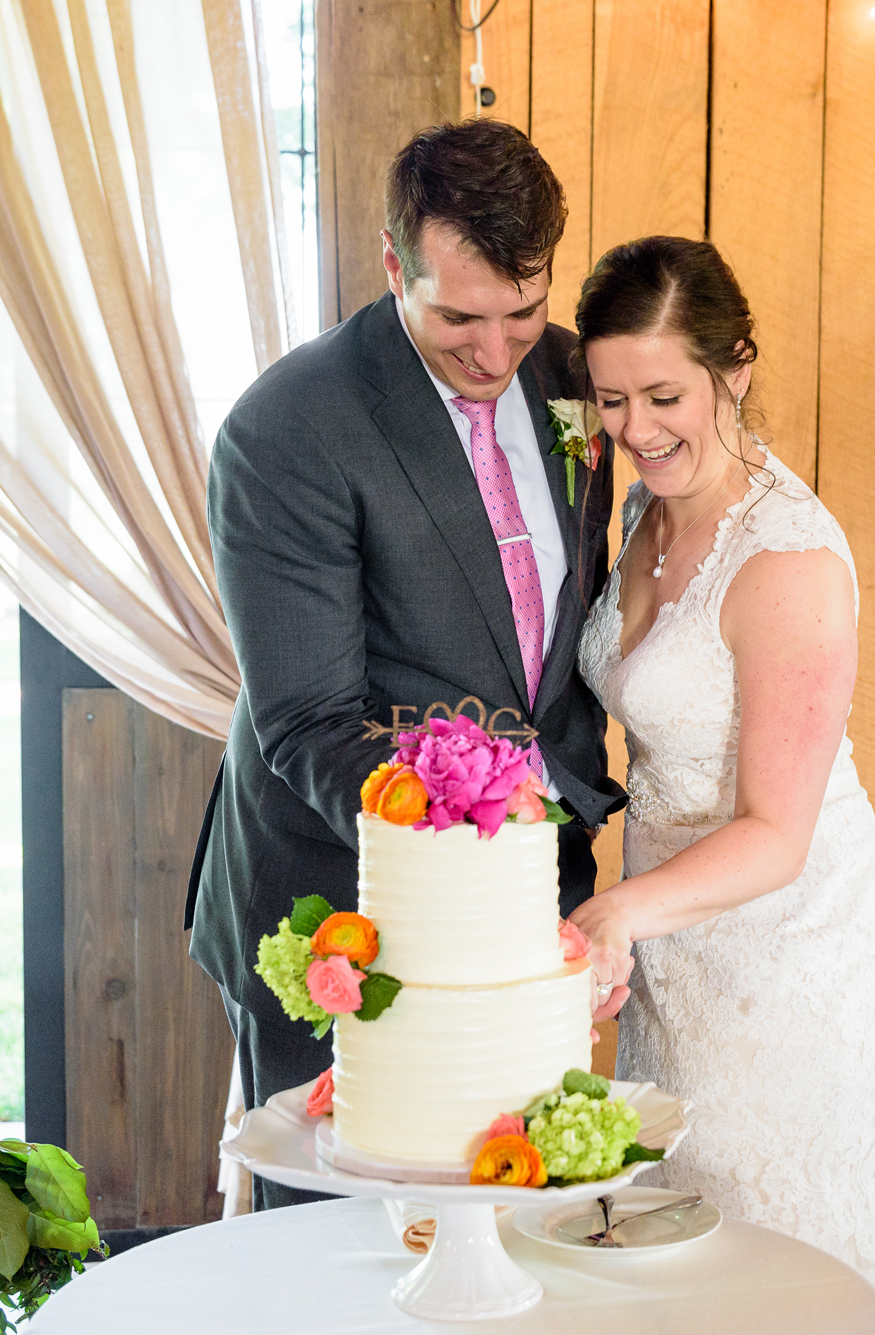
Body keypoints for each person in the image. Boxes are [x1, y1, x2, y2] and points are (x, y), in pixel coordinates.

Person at [568, 236, 875, 1332]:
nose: (636, 430)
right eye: (611, 399)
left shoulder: (789, 560)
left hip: (790, 951)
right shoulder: (643, 511)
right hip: (675, 941)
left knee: (779, 1249)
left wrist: (613, 912)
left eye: (665, 394)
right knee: (674, 1236)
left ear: (735, 368)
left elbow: (776, 833)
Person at [187, 119, 623, 1210]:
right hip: (341, 904)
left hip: (526, 910)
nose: (495, 352)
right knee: (341, 1254)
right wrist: (479, 851)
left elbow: (560, 611)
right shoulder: (288, 429)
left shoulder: (568, 378)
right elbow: (311, 723)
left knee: (510, 1225)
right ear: (394, 268)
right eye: (458, 318)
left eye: (521, 313)